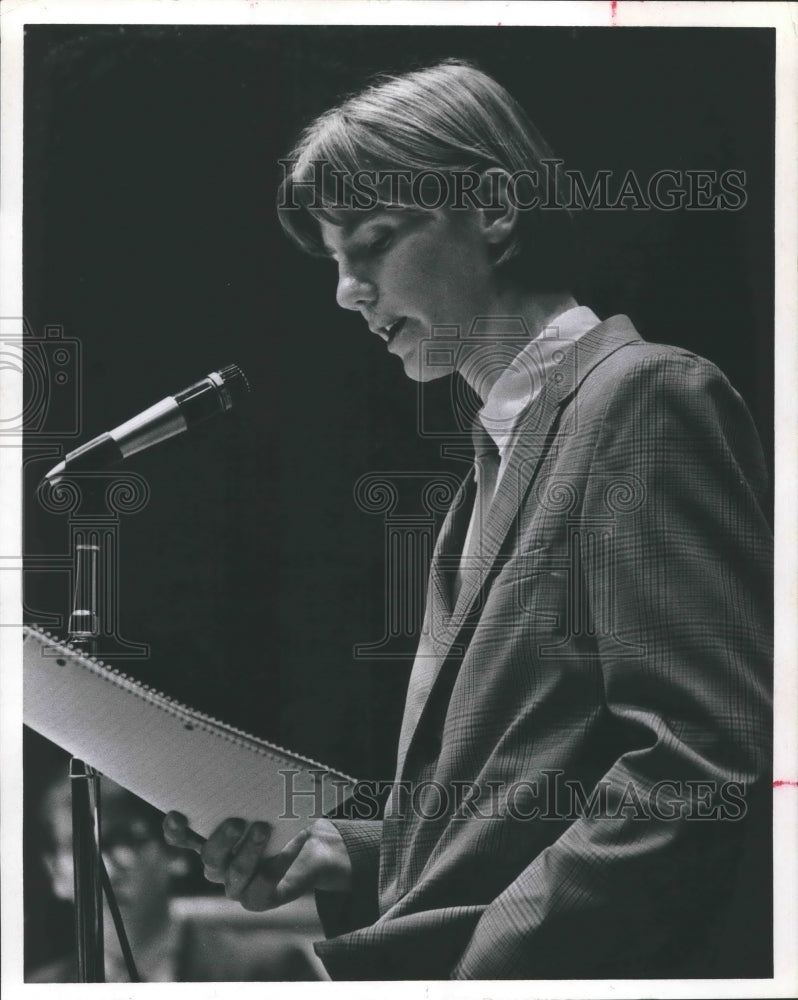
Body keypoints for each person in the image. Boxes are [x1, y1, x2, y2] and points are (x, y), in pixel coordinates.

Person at [164, 59, 773, 980]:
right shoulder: (492, 460)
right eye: (334, 258)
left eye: (372, 241)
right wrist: (343, 853)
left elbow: (700, 769)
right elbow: (517, 799)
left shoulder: (645, 398)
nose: (346, 290)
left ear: (493, 206)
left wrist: (474, 974)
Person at [28, 771, 323, 982]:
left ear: (175, 854)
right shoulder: (40, 988)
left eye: (124, 841)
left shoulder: (270, 970)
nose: (104, 865)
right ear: (55, 873)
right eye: (79, 847)